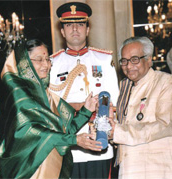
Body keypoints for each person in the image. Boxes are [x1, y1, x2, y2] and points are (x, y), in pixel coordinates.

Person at [0, 39, 102, 178]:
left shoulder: (49, 96)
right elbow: (33, 132)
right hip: (28, 170)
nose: (46, 65)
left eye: (48, 59)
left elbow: (63, 132)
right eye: (39, 60)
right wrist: (75, 140)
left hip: (50, 168)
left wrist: (86, 111)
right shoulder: (19, 95)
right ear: (24, 64)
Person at [49, 2, 119, 178]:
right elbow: (50, 108)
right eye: (69, 25)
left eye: (80, 24)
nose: (74, 29)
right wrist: (81, 106)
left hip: (99, 143)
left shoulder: (104, 60)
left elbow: (115, 102)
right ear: (62, 31)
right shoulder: (52, 65)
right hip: (69, 147)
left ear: (87, 30)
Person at [108, 36, 172, 178]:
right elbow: (122, 125)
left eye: (135, 59)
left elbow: (166, 125)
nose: (128, 66)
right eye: (124, 61)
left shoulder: (166, 83)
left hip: (159, 168)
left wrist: (119, 133)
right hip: (130, 167)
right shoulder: (124, 86)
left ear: (149, 60)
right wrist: (108, 130)